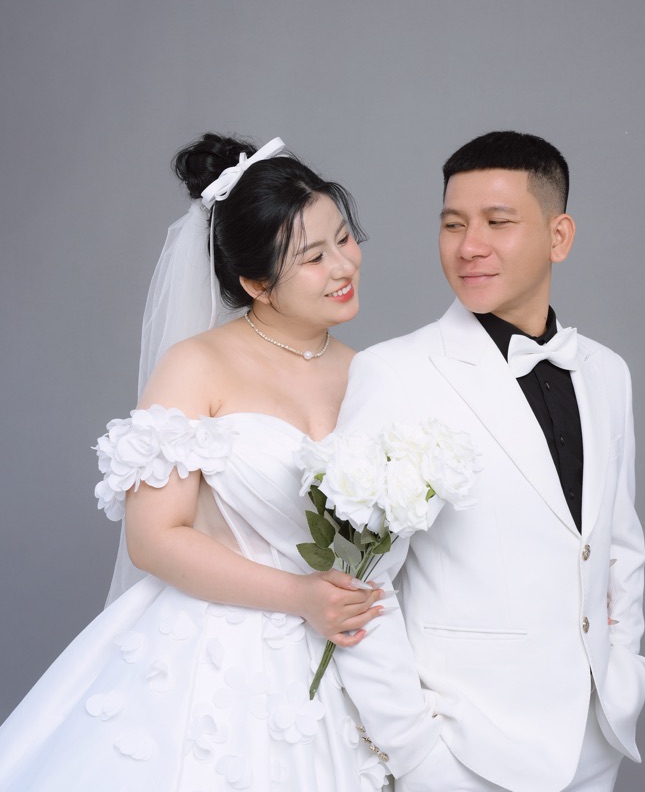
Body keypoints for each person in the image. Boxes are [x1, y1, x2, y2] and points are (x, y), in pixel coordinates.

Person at [0, 133, 391, 791]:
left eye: (345, 239)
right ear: (255, 283)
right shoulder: (197, 366)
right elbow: (154, 538)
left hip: (347, 649)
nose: (343, 265)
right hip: (217, 648)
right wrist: (300, 597)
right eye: (313, 257)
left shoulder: (374, 372)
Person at [333, 131, 645, 791]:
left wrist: (625, 675)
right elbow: (355, 586)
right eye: (453, 224)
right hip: (464, 749)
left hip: (595, 740)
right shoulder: (395, 372)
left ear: (559, 237)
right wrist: (417, 757)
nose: (468, 246)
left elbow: (618, 545)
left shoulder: (608, 373)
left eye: (497, 222)